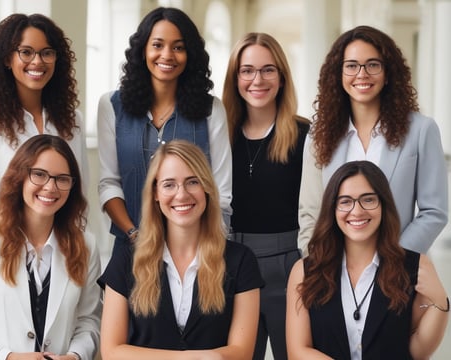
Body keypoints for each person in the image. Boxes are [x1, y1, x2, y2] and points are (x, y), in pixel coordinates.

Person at [98, 140, 263, 359]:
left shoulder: (241, 260)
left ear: (206, 188)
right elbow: (111, 351)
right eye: (169, 184)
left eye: (192, 182)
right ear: (155, 193)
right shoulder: (125, 261)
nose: (182, 194)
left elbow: (241, 352)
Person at [0, 135, 101, 360]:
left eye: (62, 179)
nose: (50, 187)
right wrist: (7, 357)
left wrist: (75, 356)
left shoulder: (86, 245)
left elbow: (89, 320)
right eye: (39, 174)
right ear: (20, 176)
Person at [298, 25, 448, 255]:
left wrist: (395, 258)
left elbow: (434, 211)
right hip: (334, 269)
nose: (362, 74)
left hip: (397, 268)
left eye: (373, 65)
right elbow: (310, 212)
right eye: (351, 66)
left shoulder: (421, 130)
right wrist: (316, 260)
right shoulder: (320, 133)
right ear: (338, 75)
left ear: (388, 73)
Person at [97, 7, 232, 249]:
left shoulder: (212, 110)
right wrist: (134, 235)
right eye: (157, 45)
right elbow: (109, 183)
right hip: (131, 247)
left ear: (189, 54)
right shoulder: (111, 106)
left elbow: (221, 190)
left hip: (196, 249)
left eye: (178, 47)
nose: (167, 55)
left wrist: (210, 248)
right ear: (143, 50)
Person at [287, 160, 449, 359]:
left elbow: (416, 352)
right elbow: (298, 351)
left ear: (383, 204)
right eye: (345, 201)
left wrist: (441, 302)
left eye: (368, 200)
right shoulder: (305, 271)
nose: (357, 211)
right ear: (332, 208)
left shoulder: (416, 266)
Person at [222, 32, 309, 360]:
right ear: (235, 78)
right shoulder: (220, 136)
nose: (257, 79)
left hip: (289, 262)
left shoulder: (305, 136)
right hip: (229, 261)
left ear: (282, 77)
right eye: (247, 70)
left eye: (268, 69)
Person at [0, 13, 88, 231]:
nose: (37, 61)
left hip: (58, 251)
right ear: (7, 59)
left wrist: (75, 248)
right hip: (3, 250)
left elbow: (79, 196)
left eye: (46, 53)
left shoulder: (73, 119)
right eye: (26, 52)